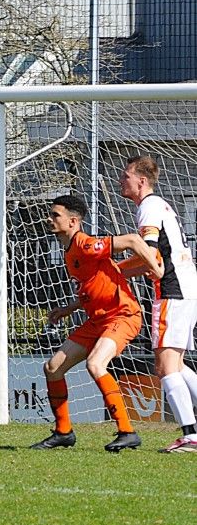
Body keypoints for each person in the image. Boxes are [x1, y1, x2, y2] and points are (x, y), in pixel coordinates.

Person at [30, 194, 160, 452]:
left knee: (95, 364)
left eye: (55, 215)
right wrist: (68, 309)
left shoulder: (86, 244)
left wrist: (156, 269)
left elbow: (134, 240)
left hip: (123, 315)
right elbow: (95, 287)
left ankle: (127, 431)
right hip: (98, 319)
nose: (49, 218)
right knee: (53, 367)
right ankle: (63, 432)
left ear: (73, 221)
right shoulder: (69, 251)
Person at [116, 155, 197, 453]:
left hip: (173, 290)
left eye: (125, 176)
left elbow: (151, 257)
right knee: (174, 364)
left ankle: (190, 436)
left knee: (164, 367)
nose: (120, 181)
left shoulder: (148, 208)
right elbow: (152, 258)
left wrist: (115, 269)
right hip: (187, 287)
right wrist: (122, 270)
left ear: (141, 181)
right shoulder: (159, 205)